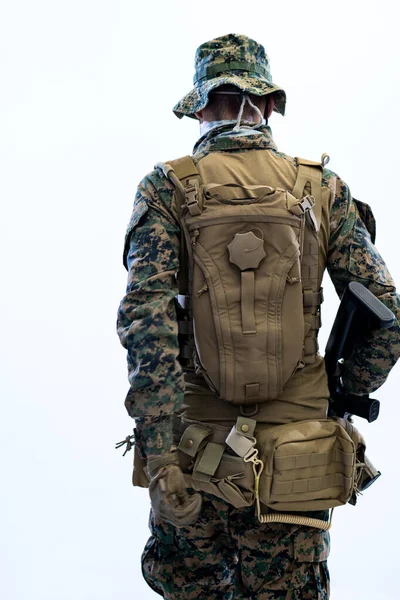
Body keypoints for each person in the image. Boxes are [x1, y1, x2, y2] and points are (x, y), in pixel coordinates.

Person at [117, 34, 400, 600]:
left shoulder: (166, 190)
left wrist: (161, 451)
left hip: (194, 457)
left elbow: (146, 324)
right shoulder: (322, 190)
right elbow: (386, 314)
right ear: (269, 104)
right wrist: (344, 394)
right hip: (301, 459)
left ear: (199, 106)